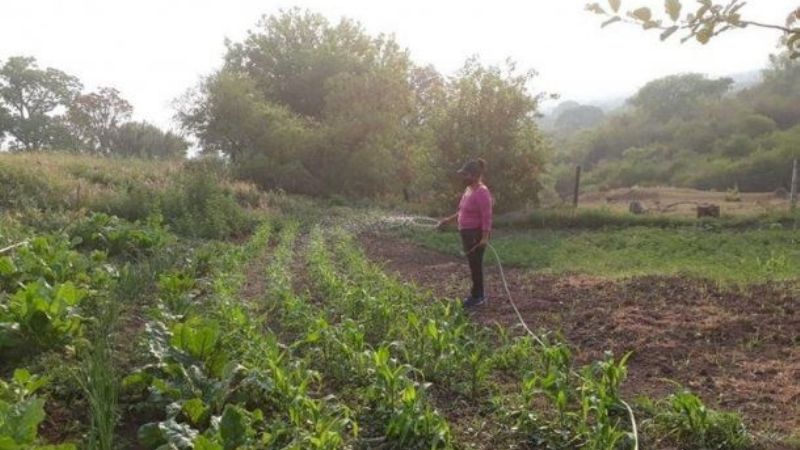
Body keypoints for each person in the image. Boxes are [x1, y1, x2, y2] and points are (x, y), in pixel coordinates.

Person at [437, 158, 493, 307]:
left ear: (474, 175)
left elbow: (487, 216)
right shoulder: (469, 190)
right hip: (466, 233)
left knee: (475, 265)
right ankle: (477, 294)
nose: (463, 177)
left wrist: (485, 237)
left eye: (465, 174)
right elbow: (462, 211)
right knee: (472, 264)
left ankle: (478, 296)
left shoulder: (482, 192)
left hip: (476, 235)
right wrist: (448, 220)